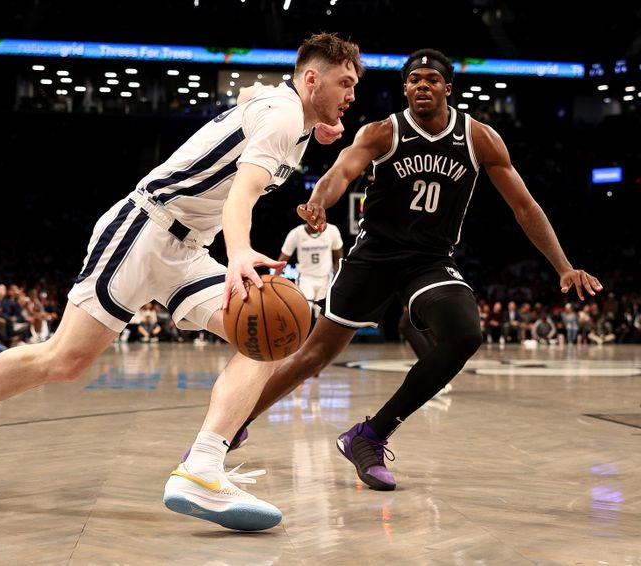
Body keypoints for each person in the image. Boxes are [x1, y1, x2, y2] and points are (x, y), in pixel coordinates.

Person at [0, 32, 361, 532]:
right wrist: (240, 251)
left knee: (264, 338)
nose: (351, 94)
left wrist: (316, 122)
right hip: (144, 227)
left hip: (186, 250)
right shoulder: (285, 115)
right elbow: (241, 192)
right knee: (64, 359)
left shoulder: (289, 113)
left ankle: (201, 467)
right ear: (311, 79)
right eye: (344, 83)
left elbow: (248, 97)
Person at [235, 48, 603, 492]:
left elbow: (524, 207)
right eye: (413, 80)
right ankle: (234, 424)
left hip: (430, 260)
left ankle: (369, 435)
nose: (421, 86)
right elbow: (340, 173)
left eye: (431, 79)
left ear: (448, 87)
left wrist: (563, 266)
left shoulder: (479, 138)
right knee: (313, 357)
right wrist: (317, 202)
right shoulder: (383, 132)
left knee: (465, 333)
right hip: (374, 255)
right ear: (404, 87)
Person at [275, 221, 343, 321]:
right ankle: (302, 336)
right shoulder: (296, 233)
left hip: (325, 278)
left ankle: (320, 337)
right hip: (305, 278)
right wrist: (275, 280)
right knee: (303, 313)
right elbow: (282, 260)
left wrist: (337, 280)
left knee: (322, 317)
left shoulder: (332, 230)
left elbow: (339, 258)